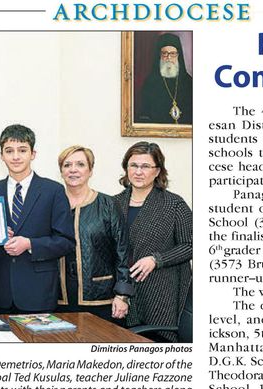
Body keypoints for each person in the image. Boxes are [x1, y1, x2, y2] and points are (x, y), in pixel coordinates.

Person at [0, 124, 73, 315]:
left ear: (33, 154)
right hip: (1, 293)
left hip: (38, 293)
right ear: (1, 155)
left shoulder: (53, 190)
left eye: (22, 150)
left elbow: (66, 242)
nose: (16, 157)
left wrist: (29, 244)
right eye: (9, 151)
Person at [114, 142, 191, 339]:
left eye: (146, 166)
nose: (138, 172)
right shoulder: (113, 203)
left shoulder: (174, 204)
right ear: (126, 168)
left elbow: (191, 244)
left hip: (161, 294)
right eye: (133, 165)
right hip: (119, 296)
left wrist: (157, 260)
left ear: (157, 171)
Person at [57, 145, 132, 320]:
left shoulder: (108, 205)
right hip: (58, 298)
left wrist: (122, 295)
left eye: (80, 164)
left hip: (100, 298)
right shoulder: (52, 205)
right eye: (67, 165)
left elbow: (123, 251)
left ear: (90, 170)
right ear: (61, 171)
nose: (73, 170)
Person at [135, 33, 193, 126]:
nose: (168, 58)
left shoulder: (190, 83)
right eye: (164, 53)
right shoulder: (150, 83)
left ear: (178, 55)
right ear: (159, 56)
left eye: (173, 54)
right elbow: (144, 116)